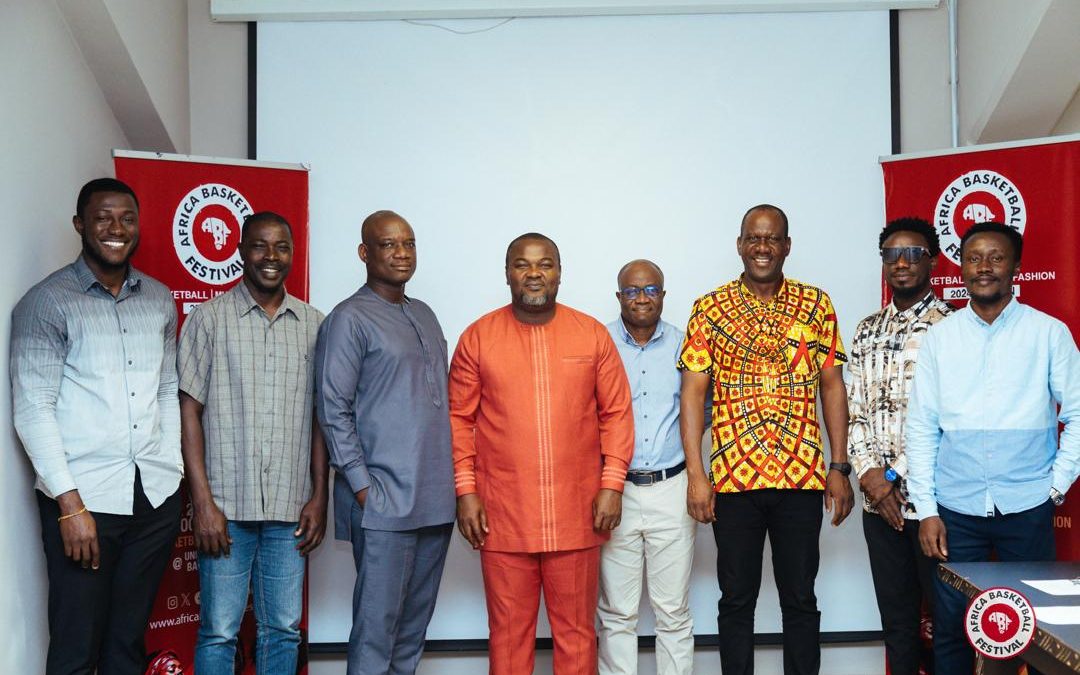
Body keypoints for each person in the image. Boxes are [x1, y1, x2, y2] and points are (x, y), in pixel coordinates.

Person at [11, 177, 183, 674]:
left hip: (152, 497)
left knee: (127, 643)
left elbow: (167, 391)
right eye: (103, 217)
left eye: (127, 218)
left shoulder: (158, 299)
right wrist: (69, 506)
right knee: (75, 647)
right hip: (83, 505)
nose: (116, 228)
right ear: (80, 225)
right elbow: (33, 408)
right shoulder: (47, 302)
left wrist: (170, 470)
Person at [678, 204, 854, 675]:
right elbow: (693, 393)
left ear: (787, 246)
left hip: (802, 477)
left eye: (772, 238)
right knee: (736, 599)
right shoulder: (709, 307)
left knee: (800, 597)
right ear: (740, 244)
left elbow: (832, 385)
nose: (762, 247)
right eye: (753, 238)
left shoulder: (816, 304)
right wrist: (697, 474)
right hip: (733, 479)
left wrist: (839, 468)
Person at [450, 233, 634, 675]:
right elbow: (460, 419)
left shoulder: (590, 334)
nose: (534, 273)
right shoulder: (478, 337)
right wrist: (465, 491)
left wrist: (612, 485)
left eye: (545, 264)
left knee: (576, 637)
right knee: (509, 638)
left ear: (559, 272)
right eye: (522, 264)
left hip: (577, 515)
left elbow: (617, 415)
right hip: (502, 517)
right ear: (508, 273)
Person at [906, 221, 1079, 674]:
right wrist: (926, 509)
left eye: (996, 258)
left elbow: (1077, 415)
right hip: (954, 512)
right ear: (960, 267)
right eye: (973, 258)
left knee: (1039, 635)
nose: (984, 267)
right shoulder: (940, 340)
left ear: (1016, 267)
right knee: (951, 630)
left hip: (1027, 506)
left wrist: (1054, 487)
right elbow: (922, 426)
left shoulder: (1048, 334)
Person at [177, 211, 328, 672]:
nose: (271, 256)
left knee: (282, 628)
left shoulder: (315, 324)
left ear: (291, 254)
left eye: (281, 247)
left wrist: (320, 496)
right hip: (225, 508)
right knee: (220, 630)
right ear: (241, 251)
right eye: (260, 245)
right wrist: (202, 502)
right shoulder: (208, 320)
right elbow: (189, 412)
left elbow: (323, 418)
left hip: (290, 509)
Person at [315, 210, 456, 675]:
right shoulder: (348, 318)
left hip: (435, 502)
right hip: (382, 503)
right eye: (389, 244)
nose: (401, 253)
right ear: (365, 252)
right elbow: (332, 409)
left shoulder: (425, 313)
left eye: (409, 244)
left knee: (411, 634)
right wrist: (362, 488)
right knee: (377, 632)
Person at [847, 217, 953, 675]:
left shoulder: (953, 326)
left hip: (934, 503)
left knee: (949, 620)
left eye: (913, 253)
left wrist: (892, 477)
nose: (902, 263)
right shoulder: (865, 329)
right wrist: (870, 476)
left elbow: (950, 420)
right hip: (879, 508)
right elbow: (855, 410)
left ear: (932, 260)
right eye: (892, 255)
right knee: (898, 622)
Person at [597, 259, 695, 675]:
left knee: (672, 610)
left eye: (651, 290)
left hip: (671, 488)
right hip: (614, 490)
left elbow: (700, 409)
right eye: (633, 291)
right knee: (617, 612)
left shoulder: (682, 345)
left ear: (663, 295)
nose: (642, 298)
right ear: (619, 296)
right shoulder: (598, 344)